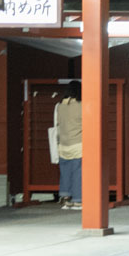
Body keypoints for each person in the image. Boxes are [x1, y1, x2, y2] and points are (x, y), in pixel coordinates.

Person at [51, 82, 82, 211]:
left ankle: (65, 199)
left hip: (63, 145)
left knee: (65, 172)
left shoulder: (58, 106)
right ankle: (78, 200)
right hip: (78, 144)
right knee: (78, 172)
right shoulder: (82, 105)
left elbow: (56, 124)